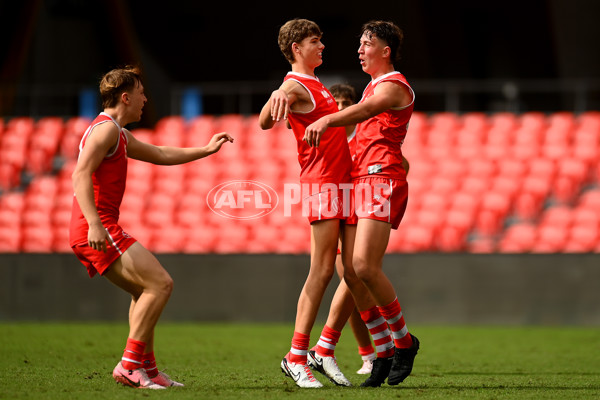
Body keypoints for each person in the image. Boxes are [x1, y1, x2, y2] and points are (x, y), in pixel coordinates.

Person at [69, 66, 233, 390]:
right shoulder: (105, 131)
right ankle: (130, 366)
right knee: (161, 284)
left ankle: (148, 369)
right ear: (126, 97)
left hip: (99, 225)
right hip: (97, 227)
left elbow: (159, 153)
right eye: (141, 93)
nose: (146, 99)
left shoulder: (115, 131)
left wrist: (205, 149)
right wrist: (94, 224)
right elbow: (79, 175)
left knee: (144, 291)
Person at [304, 20, 420, 388]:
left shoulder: (394, 85)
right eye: (359, 42)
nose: (359, 48)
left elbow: (362, 113)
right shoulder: (373, 85)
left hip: (380, 179)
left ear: (386, 50)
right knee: (351, 272)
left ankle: (403, 342)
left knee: (364, 267)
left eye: (366, 43)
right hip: (361, 180)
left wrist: (326, 120)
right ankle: (383, 348)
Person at [258, 19, 353, 388]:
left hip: (339, 182)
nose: (322, 46)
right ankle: (297, 356)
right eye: (315, 41)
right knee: (323, 270)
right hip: (322, 182)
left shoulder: (315, 85)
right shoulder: (295, 84)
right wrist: (278, 93)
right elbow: (266, 121)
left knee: (352, 268)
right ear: (297, 47)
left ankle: (324, 349)